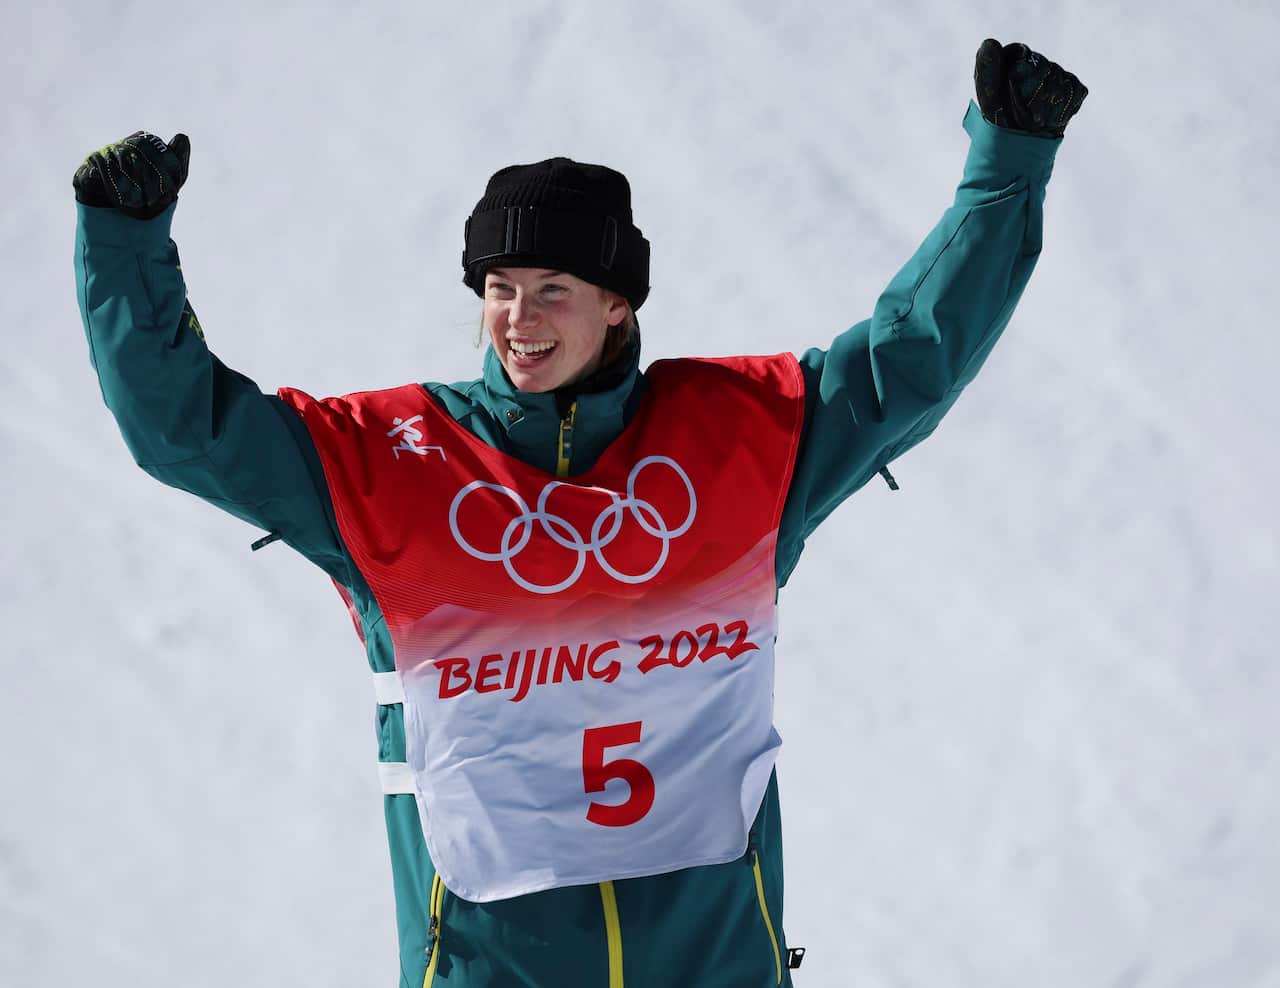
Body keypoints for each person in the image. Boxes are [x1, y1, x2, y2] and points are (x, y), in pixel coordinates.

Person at [72, 39, 1086, 988]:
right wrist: (125, 249)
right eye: (500, 287)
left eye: (553, 288)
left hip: (711, 958)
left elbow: (907, 362)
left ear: (618, 304)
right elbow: (186, 427)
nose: (519, 317)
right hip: (490, 964)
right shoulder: (390, 463)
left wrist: (1006, 166)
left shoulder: (741, 439)